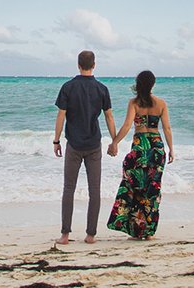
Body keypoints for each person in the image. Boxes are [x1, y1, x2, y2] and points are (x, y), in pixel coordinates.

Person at [54, 49, 117, 244]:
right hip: (93, 144)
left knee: (68, 189)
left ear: (78, 65)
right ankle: (90, 235)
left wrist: (56, 140)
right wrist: (114, 141)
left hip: (73, 143)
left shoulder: (68, 87)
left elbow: (61, 115)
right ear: (94, 65)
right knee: (94, 190)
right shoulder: (102, 88)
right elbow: (109, 116)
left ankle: (65, 235)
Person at [106, 69, 174, 239]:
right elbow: (166, 128)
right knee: (152, 189)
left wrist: (115, 142)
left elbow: (128, 125)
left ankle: (136, 230)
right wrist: (171, 148)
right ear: (153, 84)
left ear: (138, 84)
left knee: (136, 187)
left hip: (139, 147)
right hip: (156, 148)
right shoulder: (161, 103)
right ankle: (149, 231)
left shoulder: (134, 103)